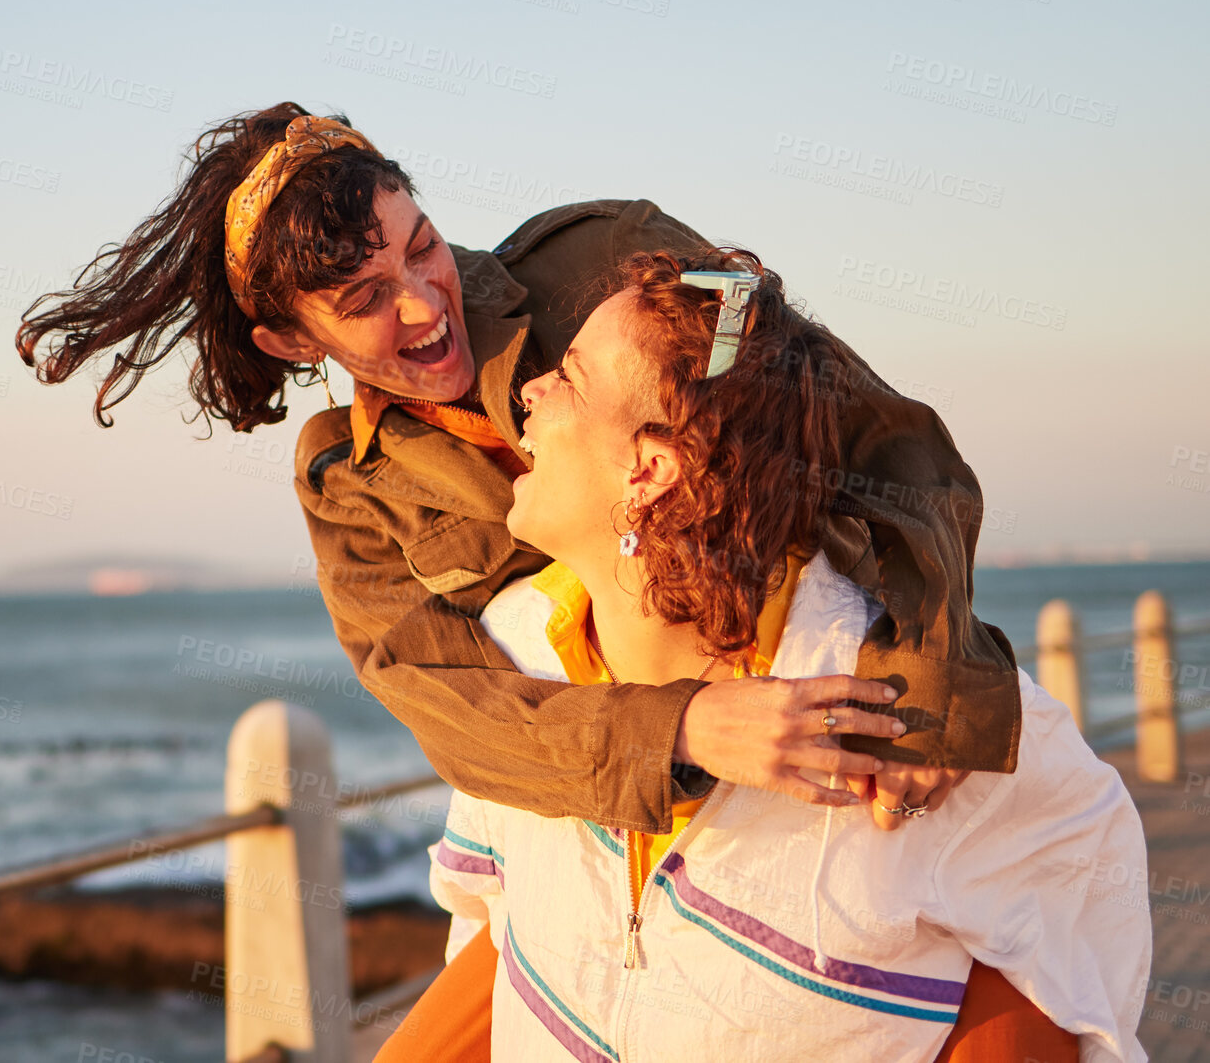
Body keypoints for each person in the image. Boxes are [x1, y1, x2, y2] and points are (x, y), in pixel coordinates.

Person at [18, 103, 1032, 1057]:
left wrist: (929, 687)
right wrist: (677, 728)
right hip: (575, 845)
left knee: (1003, 978)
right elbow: (453, 707)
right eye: (363, 300)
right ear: (291, 340)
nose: (423, 305)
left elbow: (890, 446)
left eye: (419, 248)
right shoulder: (346, 481)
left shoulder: (598, 261)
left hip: (812, 752)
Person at [422, 247, 1148, 1062]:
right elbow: (501, 919)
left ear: (649, 469)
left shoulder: (896, 707)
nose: (530, 386)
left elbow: (1083, 863)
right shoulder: (518, 657)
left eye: (572, 377)